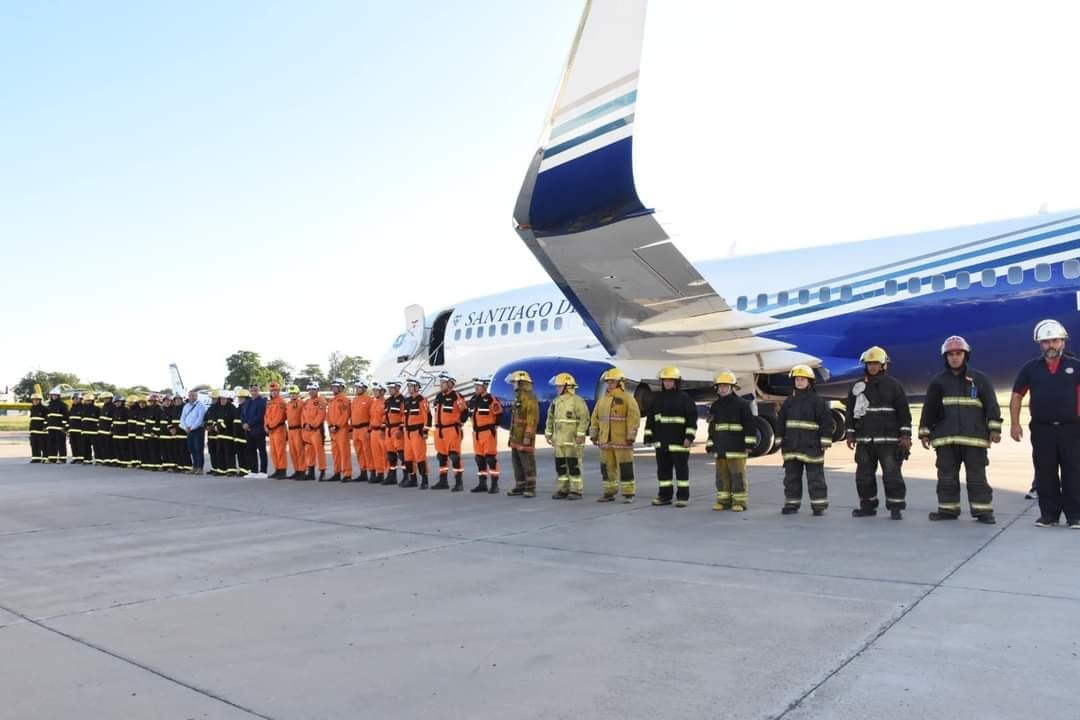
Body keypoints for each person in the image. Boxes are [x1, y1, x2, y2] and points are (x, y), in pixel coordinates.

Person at [920, 336, 1000, 524]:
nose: (954, 358)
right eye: (951, 355)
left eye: (958, 354)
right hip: (945, 439)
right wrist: (924, 431)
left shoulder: (979, 380)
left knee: (976, 477)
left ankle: (983, 512)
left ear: (966, 355)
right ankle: (948, 510)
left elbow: (992, 405)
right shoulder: (938, 382)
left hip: (974, 439)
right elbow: (929, 408)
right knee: (946, 477)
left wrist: (994, 429)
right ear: (945, 357)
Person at [1011, 319, 1080, 529]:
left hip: (1072, 429)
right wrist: (1015, 423)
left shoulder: (1076, 367)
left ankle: (1075, 516)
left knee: (1074, 472)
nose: (1050, 345)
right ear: (1040, 345)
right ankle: (1048, 516)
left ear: (1063, 342)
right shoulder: (1030, 369)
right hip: (1042, 429)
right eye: (1046, 342)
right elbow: (1016, 396)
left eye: (1055, 341)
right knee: (1045, 472)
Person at [845, 346, 912, 520]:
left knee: (892, 475)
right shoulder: (858, 387)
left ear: (883, 365)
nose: (872, 367)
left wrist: (905, 436)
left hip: (888, 441)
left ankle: (895, 507)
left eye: (876, 363)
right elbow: (851, 411)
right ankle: (867, 506)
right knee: (864, 476)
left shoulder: (894, 386)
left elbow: (904, 412)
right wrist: (850, 433)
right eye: (869, 364)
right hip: (865, 440)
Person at [777, 365, 834, 516]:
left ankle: (818, 506)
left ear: (809, 382)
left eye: (803, 379)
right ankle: (791, 504)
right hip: (792, 447)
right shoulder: (789, 402)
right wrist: (779, 439)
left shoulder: (817, 402)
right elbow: (781, 421)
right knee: (791, 478)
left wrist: (825, 440)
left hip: (812, 446)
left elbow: (827, 422)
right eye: (797, 379)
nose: (799, 382)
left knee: (815, 478)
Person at [644, 367, 697, 507]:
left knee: (681, 472)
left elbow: (692, 420)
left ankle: (683, 497)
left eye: (670, 380)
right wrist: (648, 436)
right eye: (665, 380)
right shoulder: (657, 399)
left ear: (676, 382)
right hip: (662, 443)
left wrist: (689, 437)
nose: (667, 383)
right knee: (663, 472)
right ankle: (664, 496)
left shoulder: (685, 399)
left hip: (680, 443)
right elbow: (651, 419)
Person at [705, 371, 757, 511]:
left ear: (733, 387)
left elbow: (750, 426)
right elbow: (712, 427)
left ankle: (739, 502)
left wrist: (749, 444)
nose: (722, 388)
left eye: (726, 385)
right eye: (720, 386)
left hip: (737, 447)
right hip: (720, 447)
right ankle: (723, 501)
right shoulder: (715, 405)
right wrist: (710, 443)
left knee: (737, 475)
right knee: (721, 476)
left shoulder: (742, 404)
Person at [590, 368, 641, 503]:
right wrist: (594, 435)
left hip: (622, 441)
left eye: (612, 382)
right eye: (608, 382)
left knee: (625, 467)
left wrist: (631, 436)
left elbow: (633, 418)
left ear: (620, 383)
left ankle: (628, 494)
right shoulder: (602, 400)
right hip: (605, 441)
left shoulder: (627, 399)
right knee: (607, 468)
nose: (609, 384)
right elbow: (595, 418)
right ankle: (609, 492)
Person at [544, 372, 590, 500]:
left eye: (559, 386)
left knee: (574, 465)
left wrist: (581, 434)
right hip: (559, 441)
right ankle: (563, 489)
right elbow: (550, 418)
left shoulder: (577, 401)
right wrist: (548, 434)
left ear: (567, 386)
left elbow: (584, 419)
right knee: (561, 466)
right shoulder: (556, 401)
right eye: (557, 386)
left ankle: (576, 490)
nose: (557, 388)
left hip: (573, 440)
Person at [431, 373, 469, 491]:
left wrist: (459, 423)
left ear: (450, 384)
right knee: (441, 456)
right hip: (439, 431)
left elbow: (465, 412)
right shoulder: (438, 397)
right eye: (441, 382)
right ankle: (443, 481)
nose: (441, 385)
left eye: (443, 382)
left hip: (451, 430)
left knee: (454, 456)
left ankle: (459, 482)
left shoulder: (456, 396)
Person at [506, 370, 539, 497]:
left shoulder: (530, 398)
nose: (512, 385)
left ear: (521, 383)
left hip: (524, 437)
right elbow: (515, 420)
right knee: (517, 463)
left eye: (514, 382)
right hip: (516, 437)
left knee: (527, 463)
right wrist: (511, 437)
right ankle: (520, 486)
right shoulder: (518, 398)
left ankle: (530, 488)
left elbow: (532, 420)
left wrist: (527, 436)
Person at [467, 376, 502, 494]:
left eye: (478, 386)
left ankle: (494, 484)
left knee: (490, 459)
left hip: (487, 433)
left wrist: (494, 427)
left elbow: (499, 414)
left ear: (485, 387)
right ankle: (482, 484)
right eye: (475, 386)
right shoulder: (473, 400)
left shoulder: (491, 399)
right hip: (476, 433)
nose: (476, 388)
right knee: (479, 459)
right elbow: (469, 413)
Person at [402, 378, 431, 488]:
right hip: (408, 433)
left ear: (417, 387)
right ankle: (412, 479)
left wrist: (425, 431)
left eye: (411, 386)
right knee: (408, 458)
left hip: (417, 432)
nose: (409, 388)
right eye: (408, 386)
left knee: (420, 457)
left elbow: (428, 416)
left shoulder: (422, 400)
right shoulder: (407, 400)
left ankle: (424, 480)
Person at [326, 378, 353, 482]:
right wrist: (330, 426)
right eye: (333, 387)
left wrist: (337, 426)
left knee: (344, 452)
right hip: (333, 430)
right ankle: (337, 472)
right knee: (335, 453)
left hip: (341, 430)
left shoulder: (344, 400)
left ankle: (347, 474)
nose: (334, 388)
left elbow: (345, 415)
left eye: (336, 386)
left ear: (342, 387)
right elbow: (328, 415)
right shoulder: (332, 400)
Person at [301, 383, 328, 481]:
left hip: (316, 430)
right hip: (307, 431)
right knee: (309, 452)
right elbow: (303, 415)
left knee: (319, 452)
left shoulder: (321, 401)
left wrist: (312, 425)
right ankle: (311, 472)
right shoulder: (307, 401)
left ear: (317, 390)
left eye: (313, 389)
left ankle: (322, 471)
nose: (311, 391)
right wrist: (304, 424)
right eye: (310, 389)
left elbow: (321, 415)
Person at [382, 380, 407, 485]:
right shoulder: (388, 401)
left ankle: (407, 476)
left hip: (397, 429)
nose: (390, 390)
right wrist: (383, 429)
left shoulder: (403, 400)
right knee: (390, 455)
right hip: (388, 430)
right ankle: (392, 476)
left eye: (392, 388)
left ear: (398, 388)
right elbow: (384, 416)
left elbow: (404, 415)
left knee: (402, 455)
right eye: (389, 388)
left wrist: (401, 429)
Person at [242, 384, 269, 477]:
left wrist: (249, 424)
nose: (254, 392)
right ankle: (253, 470)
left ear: (258, 391)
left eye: (255, 390)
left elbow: (260, 416)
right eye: (252, 390)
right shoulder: (248, 401)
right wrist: (244, 423)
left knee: (261, 451)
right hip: (248, 430)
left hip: (258, 430)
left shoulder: (262, 402)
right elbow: (243, 414)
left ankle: (263, 471)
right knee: (251, 451)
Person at [350, 379, 373, 483]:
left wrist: (369, 429)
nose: (357, 389)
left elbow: (372, 416)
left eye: (359, 387)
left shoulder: (369, 400)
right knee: (359, 452)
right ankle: (363, 473)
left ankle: (372, 472)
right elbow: (352, 415)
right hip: (355, 430)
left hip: (364, 428)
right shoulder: (354, 400)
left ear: (364, 388)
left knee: (368, 452)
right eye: (356, 387)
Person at [263, 382, 288, 478]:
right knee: (273, 451)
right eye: (272, 391)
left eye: (275, 391)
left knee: (280, 451)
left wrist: (271, 425)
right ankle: (277, 469)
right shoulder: (269, 402)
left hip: (279, 429)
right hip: (271, 430)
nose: (273, 392)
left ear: (279, 391)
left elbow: (280, 416)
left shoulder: (281, 402)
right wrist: (266, 425)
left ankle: (282, 471)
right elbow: (266, 415)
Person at [179, 389, 207, 474]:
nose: (192, 397)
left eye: (193, 395)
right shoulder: (186, 406)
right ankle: (194, 467)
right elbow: (182, 419)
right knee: (192, 449)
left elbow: (200, 419)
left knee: (198, 449)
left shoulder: (200, 406)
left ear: (196, 396)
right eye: (190, 395)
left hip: (197, 430)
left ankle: (200, 468)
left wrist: (192, 427)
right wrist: (185, 427)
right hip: (188, 431)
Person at [284, 385, 308, 480]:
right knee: (292, 451)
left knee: (300, 451)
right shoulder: (288, 404)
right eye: (291, 394)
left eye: (294, 394)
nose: (293, 395)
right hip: (290, 430)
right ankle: (297, 470)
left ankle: (302, 470)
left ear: (298, 394)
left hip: (298, 429)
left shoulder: (302, 403)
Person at [367, 382, 389, 484]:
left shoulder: (386, 403)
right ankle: (379, 473)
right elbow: (371, 418)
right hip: (373, 431)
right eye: (374, 390)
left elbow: (386, 418)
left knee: (385, 454)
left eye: (376, 390)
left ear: (382, 391)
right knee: (375, 454)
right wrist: (369, 430)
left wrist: (383, 429)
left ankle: (389, 474)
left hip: (381, 431)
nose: (375, 392)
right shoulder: (374, 403)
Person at [45, 387, 68, 463]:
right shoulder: (49, 405)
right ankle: (52, 459)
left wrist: (64, 427)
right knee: (51, 444)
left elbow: (65, 417)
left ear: (58, 396)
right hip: (51, 428)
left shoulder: (63, 405)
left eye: (55, 395)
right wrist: (45, 426)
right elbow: (47, 417)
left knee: (61, 444)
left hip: (59, 428)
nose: (54, 396)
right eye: (52, 395)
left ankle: (62, 459)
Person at [205, 390, 224, 475]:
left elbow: (220, 420)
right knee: (212, 452)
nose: (213, 400)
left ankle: (220, 468)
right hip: (210, 435)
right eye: (212, 398)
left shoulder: (220, 408)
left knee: (219, 452)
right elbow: (205, 419)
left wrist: (213, 426)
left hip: (218, 434)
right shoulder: (210, 409)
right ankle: (214, 467)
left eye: (215, 399)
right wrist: (206, 426)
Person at [96, 391, 115, 466]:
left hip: (108, 431)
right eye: (104, 398)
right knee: (103, 446)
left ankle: (111, 460)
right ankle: (105, 460)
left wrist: (112, 429)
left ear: (111, 399)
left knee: (109, 446)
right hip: (101, 431)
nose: (105, 400)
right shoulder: (104, 407)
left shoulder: (113, 407)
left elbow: (113, 420)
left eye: (107, 398)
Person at [28, 391, 48, 463]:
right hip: (33, 430)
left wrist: (45, 427)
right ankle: (36, 458)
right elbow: (32, 419)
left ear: (40, 400)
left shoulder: (44, 408)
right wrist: (30, 429)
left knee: (43, 444)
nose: (35, 401)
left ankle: (45, 458)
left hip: (41, 430)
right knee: (34, 444)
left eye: (36, 400)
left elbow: (46, 419)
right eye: (33, 400)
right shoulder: (32, 408)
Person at [80, 392, 98, 464]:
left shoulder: (97, 409)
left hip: (94, 431)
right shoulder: (83, 409)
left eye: (89, 400)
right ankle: (87, 460)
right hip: (85, 431)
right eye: (87, 400)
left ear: (92, 401)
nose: (88, 402)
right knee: (85, 447)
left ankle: (98, 460)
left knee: (96, 447)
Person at [68, 391, 83, 463]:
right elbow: (69, 419)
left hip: (80, 430)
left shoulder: (83, 408)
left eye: (77, 399)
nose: (75, 400)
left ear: (80, 399)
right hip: (72, 430)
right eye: (74, 399)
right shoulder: (72, 408)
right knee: (73, 445)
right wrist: (68, 429)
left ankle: (81, 459)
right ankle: (75, 458)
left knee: (80, 445)